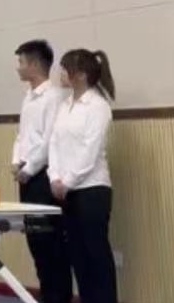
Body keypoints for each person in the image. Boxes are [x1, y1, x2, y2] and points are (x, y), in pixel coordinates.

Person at [48, 49, 118, 303]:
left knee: (96, 255)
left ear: (80, 75)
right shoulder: (64, 106)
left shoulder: (98, 106)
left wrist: (68, 181)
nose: (60, 74)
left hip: (92, 190)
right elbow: (54, 144)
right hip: (66, 190)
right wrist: (54, 177)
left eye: (64, 69)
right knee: (77, 256)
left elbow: (91, 150)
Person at [11, 40, 72, 303]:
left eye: (21, 62)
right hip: (26, 175)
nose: (18, 68)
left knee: (50, 242)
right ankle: (47, 295)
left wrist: (29, 169)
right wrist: (16, 162)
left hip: (43, 176)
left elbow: (50, 141)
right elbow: (21, 135)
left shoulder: (54, 97)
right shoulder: (28, 97)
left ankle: (59, 297)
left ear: (35, 65)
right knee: (35, 241)